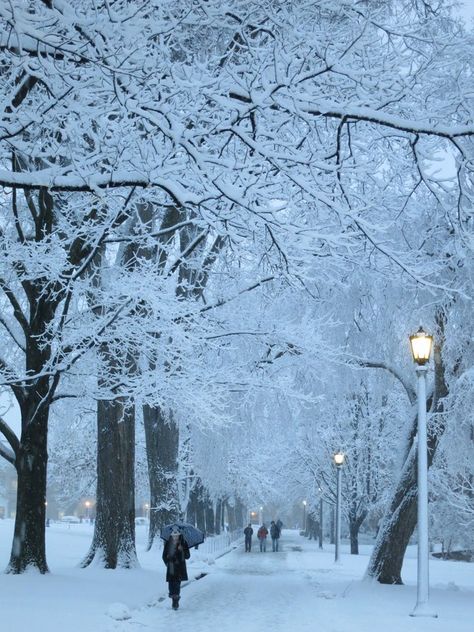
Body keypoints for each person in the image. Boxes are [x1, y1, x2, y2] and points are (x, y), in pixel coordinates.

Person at [162, 527, 190, 610]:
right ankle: (174, 599)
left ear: (179, 535)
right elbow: (164, 555)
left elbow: (188, 556)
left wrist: (182, 550)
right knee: (171, 586)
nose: (175, 537)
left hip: (180, 568)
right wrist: (167, 562)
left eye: (177, 535)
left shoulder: (183, 543)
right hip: (171, 567)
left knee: (177, 585)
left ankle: (175, 601)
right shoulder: (168, 543)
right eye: (173, 536)